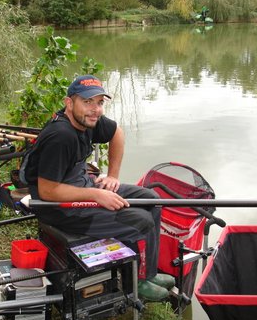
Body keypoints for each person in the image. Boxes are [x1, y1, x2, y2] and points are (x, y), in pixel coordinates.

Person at [23, 75, 174, 301]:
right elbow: (47, 191)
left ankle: (149, 273)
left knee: (152, 199)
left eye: (100, 102)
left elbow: (117, 133)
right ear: (69, 103)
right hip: (60, 207)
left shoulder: (88, 119)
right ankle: (139, 283)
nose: (96, 110)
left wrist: (112, 177)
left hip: (83, 185)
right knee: (140, 221)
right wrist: (96, 195)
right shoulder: (61, 136)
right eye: (88, 102)